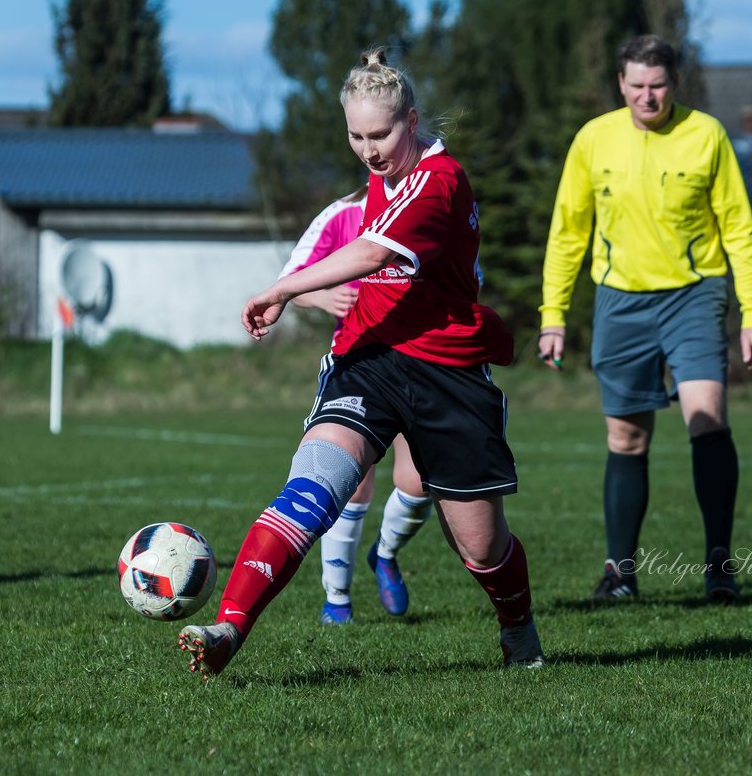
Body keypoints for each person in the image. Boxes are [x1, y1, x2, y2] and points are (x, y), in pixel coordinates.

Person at [179, 48, 542, 679]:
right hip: (368, 355)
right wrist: (305, 288)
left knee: (481, 547)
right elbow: (354, 254)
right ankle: (228, 629)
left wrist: (284, 289)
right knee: (311, 488)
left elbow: (374, 253)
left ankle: (519, 631)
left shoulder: (441, 178)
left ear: (412, 119)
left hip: (448, 371)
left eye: (381, 134)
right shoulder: (381, 175)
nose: (369, 150)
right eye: (355, 136)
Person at [537, 34, 752, 604]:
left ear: (674, 84)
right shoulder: (594, 139)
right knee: (626, 436)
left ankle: (720, 566)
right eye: (637, 85)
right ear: (621, 84)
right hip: (620, 301)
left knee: (706, 416)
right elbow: (569, 231)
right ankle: (621, 574)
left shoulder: (706, 135)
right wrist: (554, 314)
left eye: (658, 85)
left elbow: (738, 226)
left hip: (695, 294)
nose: (648, 96)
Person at [279, 188, 432, 625]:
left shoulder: (431, 204)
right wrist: (322, 296)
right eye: (363, 138)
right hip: (359, 365)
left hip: (421, 363)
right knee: (351, 482)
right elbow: (291, 278)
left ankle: (384, 552)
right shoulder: (341, 215)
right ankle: (338, 601)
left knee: (420, 482)